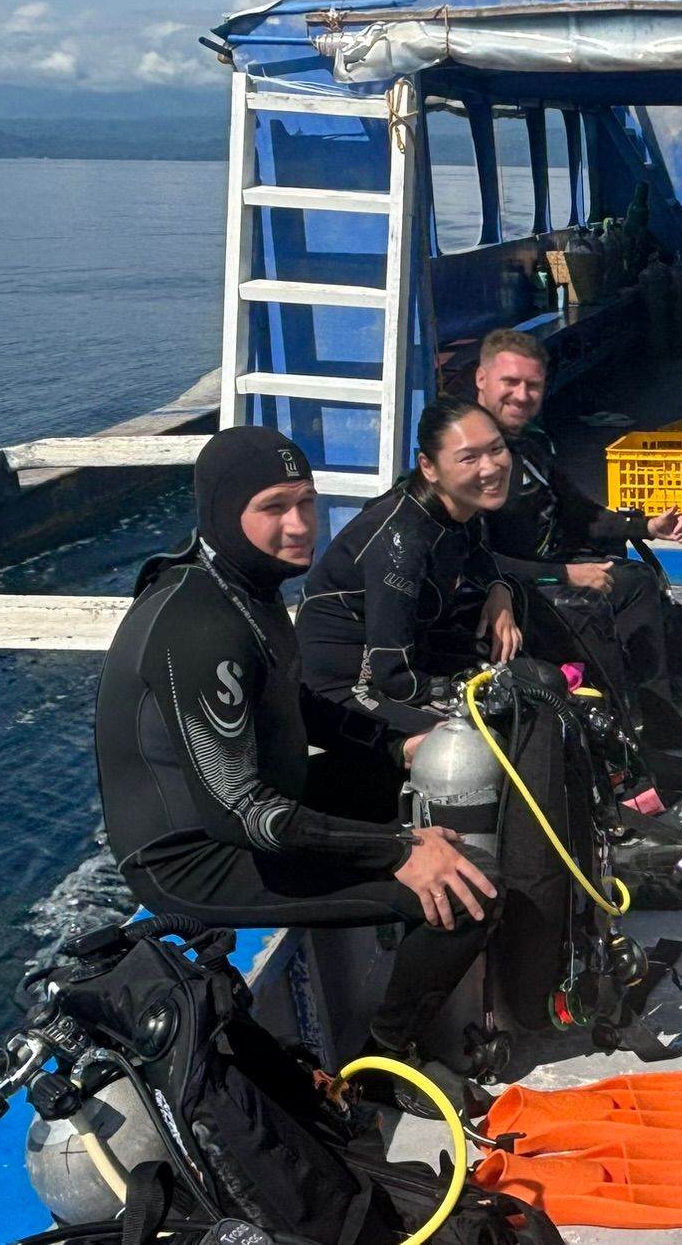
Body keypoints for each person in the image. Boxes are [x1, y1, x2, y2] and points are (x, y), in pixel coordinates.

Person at [96, 426, 499, 1066]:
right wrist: (397, 850)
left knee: (451, 777)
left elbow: (294, 704)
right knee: (468, 897)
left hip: (269, 802)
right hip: (197, 861)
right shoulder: (198, 626)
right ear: (225, 515)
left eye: (306, 503)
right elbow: (241, 814)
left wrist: (399, 747)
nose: (299, 525)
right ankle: (387, 1061)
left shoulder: (244, 589)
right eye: (274, 508)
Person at [297, 396, 525, 799]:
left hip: (403, 663)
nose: (490, 468)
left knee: (532, 680)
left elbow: (475, 553)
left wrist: (499, 589)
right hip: (346, 691)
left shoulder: (455, 510)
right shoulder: (402, 542)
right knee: (480, 738)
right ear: (429, 468)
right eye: (469, 458)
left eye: (496, 449)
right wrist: (468, 690)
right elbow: (393, 675)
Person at [470, 330, 682, 727]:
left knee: (637, 580)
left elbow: (576, 510)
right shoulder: (466, 453)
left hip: (540, 569)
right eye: (511, 383)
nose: (522, 395)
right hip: (493, 588)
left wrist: (645, 525)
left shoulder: (533, 442)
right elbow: (468, 557)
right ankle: (615, 722)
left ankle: (653, 716)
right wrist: (565, 574)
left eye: (533, 385)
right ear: (481, 379)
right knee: (589, 600)